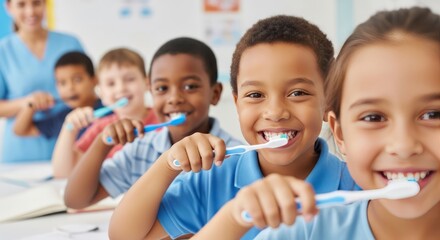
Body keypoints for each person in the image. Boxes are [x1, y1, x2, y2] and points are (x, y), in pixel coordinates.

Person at [194, 7, 440, 240]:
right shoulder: (300, 233)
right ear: (340, 133)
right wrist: (233, 218)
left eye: (433, 115)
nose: (404, 146)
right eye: (373, 118)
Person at [109, 15, 358, 240]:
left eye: (297, 93)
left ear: (328, 100)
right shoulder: (211, 179)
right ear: (237, 103)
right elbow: (124, 236)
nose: (275, 112)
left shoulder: (356, 185)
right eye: (256, 94)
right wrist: (167, 165)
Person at [63, 37, 241, 209]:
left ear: (215, 93)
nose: (174, 98)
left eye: (189, 86)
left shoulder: (236, 156)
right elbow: (76, 200)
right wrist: (103, 142)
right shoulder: (140, 151)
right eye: (162, 88)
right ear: (151, 91)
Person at [51, 48, 157, 178]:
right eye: (111, 83)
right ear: (101, 92)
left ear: (147, 83)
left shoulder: (163, 120)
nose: (121, 88)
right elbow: (64, 174)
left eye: (129, 79)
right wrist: (69, 129)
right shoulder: (101, 128)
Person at [0, 0, 84, 162]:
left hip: (71, 146)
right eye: (22, 4)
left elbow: (88, 88)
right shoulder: (3, 52)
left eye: (36, 3)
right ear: (9, 8)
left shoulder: (70, 43)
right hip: (20, 153)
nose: (31, 11)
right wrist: (27, 103)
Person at [13, 51, 101, 139]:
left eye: (77, 80)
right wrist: (31, 106)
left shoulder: (108, 108)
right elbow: (20, 130)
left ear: (94, 80)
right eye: (62, 83)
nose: (70, 87)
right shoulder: (62, 118)